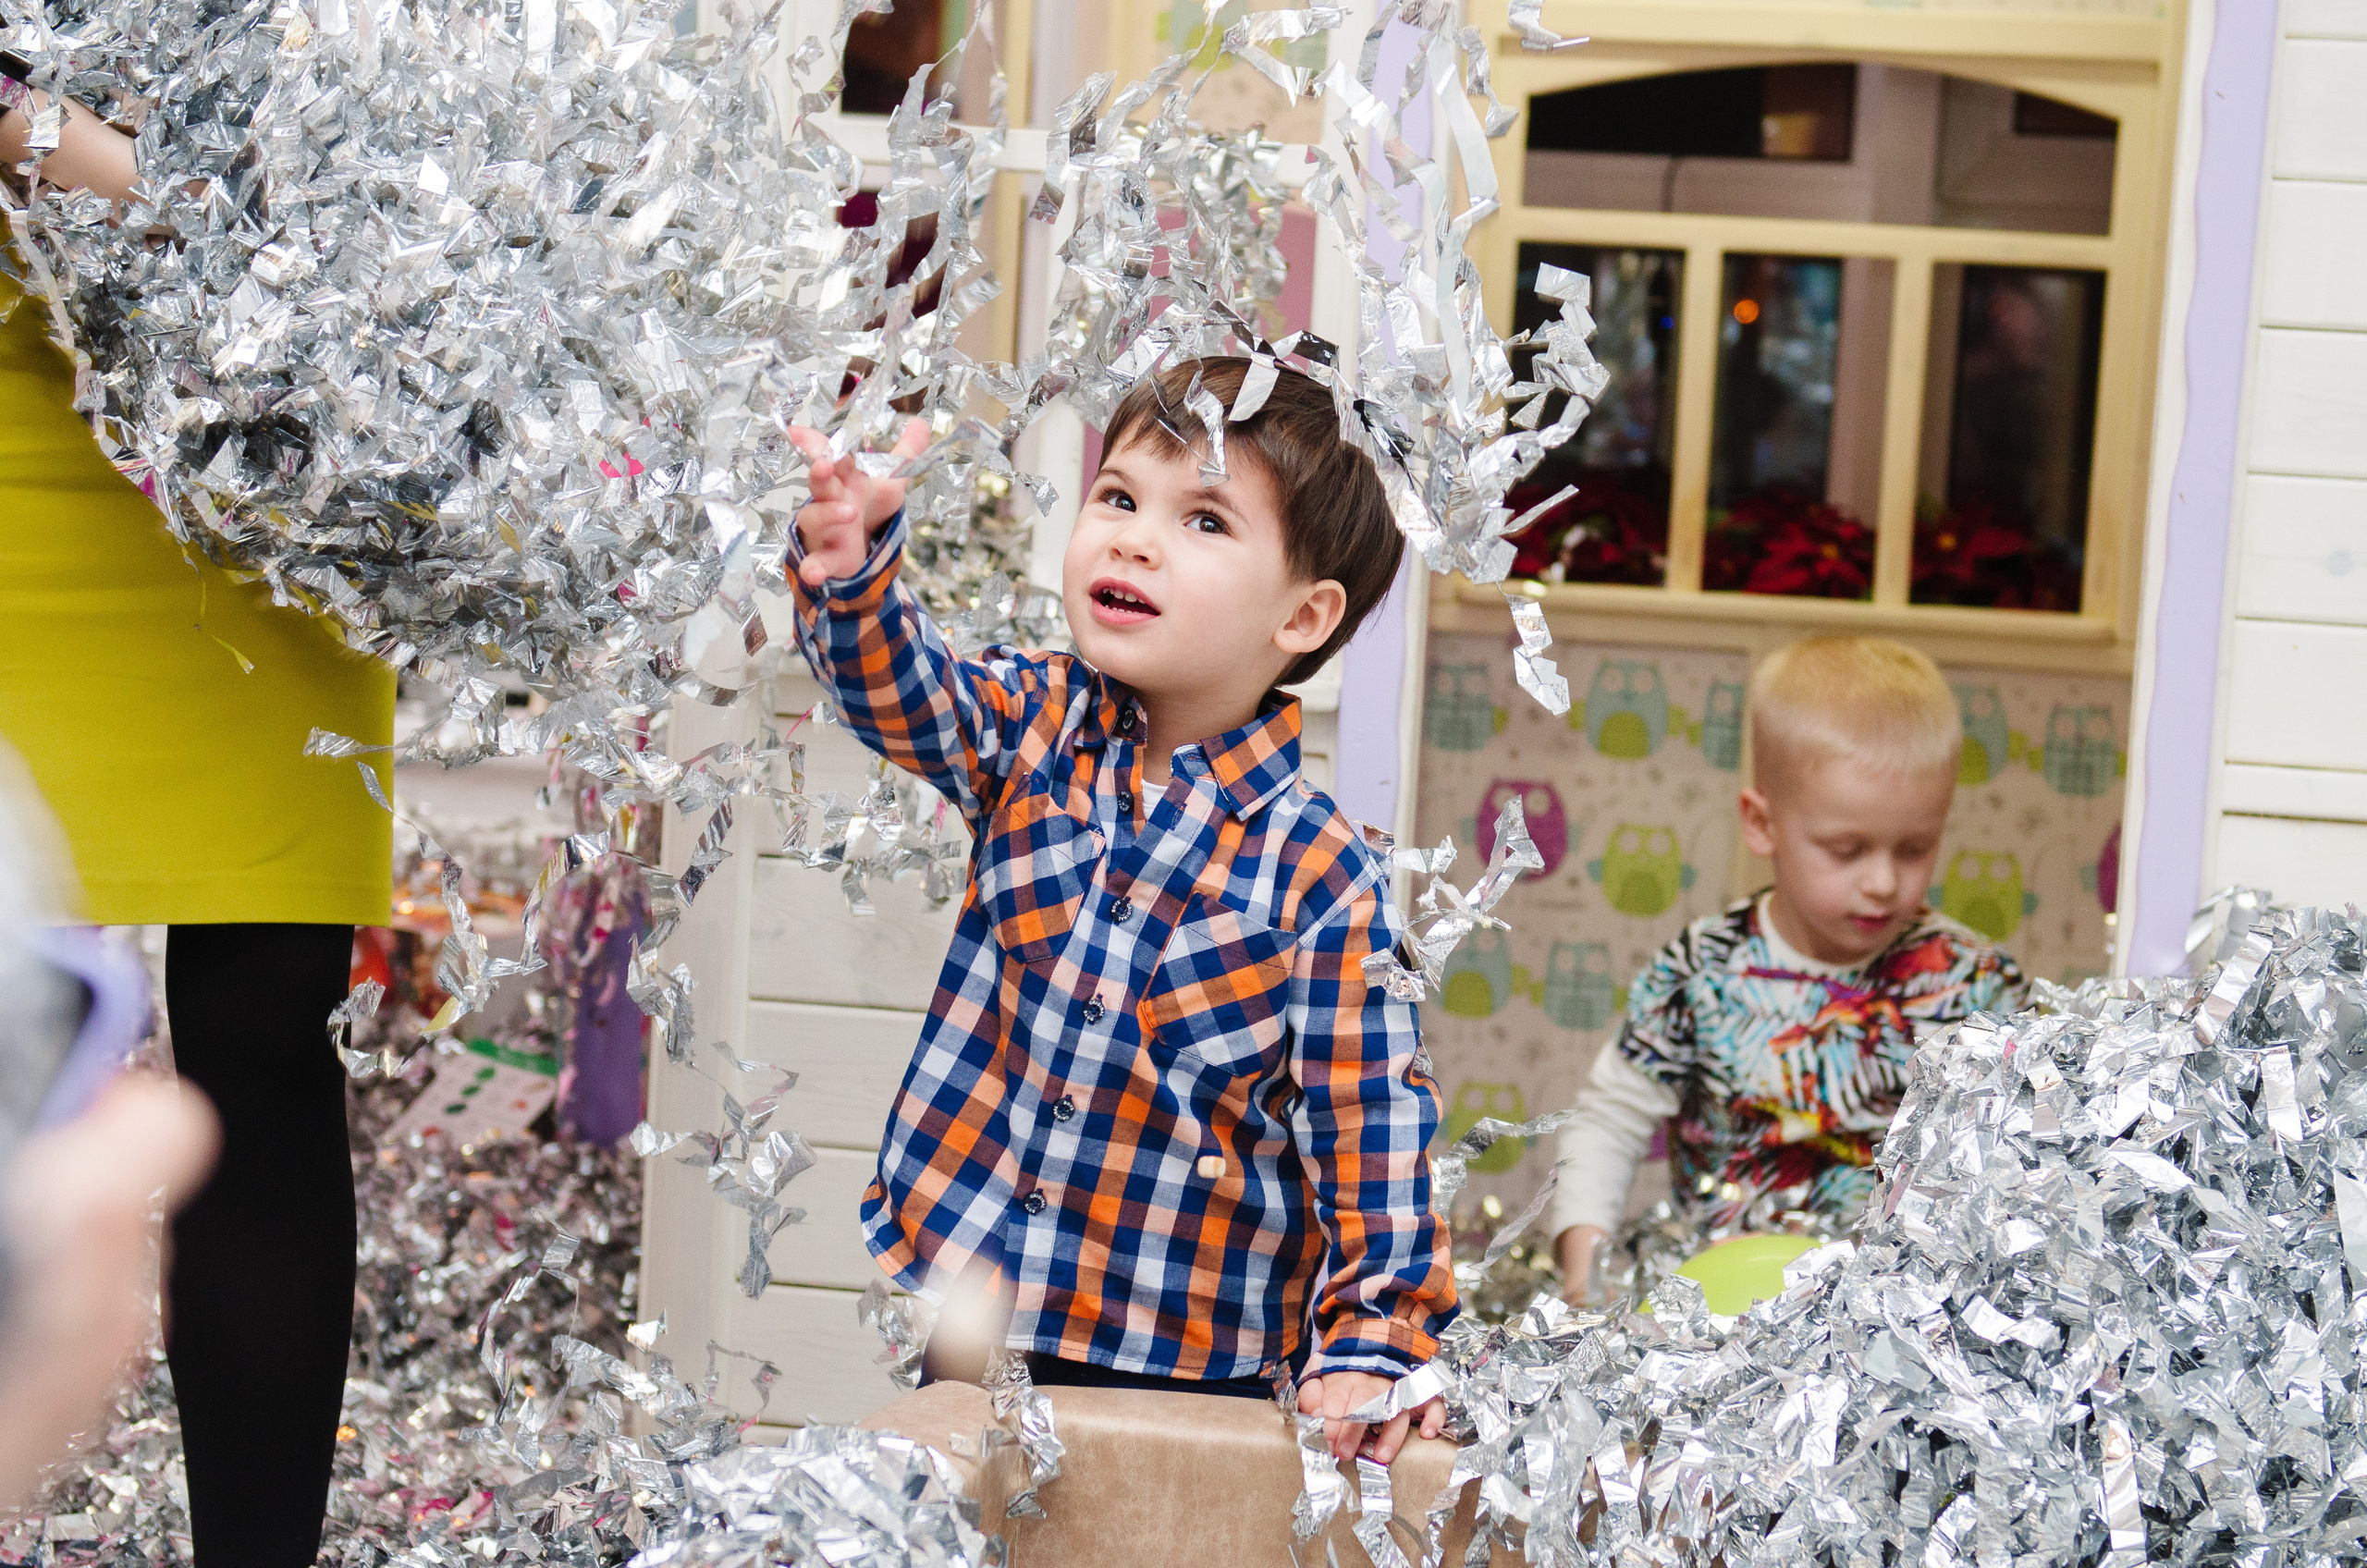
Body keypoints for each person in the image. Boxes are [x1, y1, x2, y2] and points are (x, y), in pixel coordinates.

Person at [788, 357, 1453, 1464]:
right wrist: (853, 571)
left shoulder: (1319, 871)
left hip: (1194, 1364)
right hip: (981, 1307)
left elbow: (1370, 1129)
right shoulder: (1034, 727)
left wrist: (1372, 1340)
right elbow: (903, 691)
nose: (1133, 539)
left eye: (1202, 519)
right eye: (1118, 496)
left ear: (1304, 614)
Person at [0, 67, 393, 1566]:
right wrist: (184, 204)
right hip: (25, 374)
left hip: (283, 401)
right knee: (5, 1017)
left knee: (269, 1014)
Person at [1548, 636, 2024, 1303]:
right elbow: (1608, 1121)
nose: (1883, 882)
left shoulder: (1975, 985)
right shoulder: (1699, 971)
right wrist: (1583, 1275)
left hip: (1897, 1323)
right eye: (1846, 849)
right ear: (1761, 824)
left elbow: (2024, 1162)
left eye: (1915, 849)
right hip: (1723, 1316)